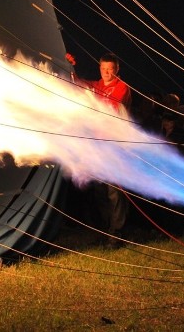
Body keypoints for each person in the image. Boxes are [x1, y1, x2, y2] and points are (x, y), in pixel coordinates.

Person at [70, 52, 132, 246]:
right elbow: (77, 83)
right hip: (97, 145)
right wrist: (70, 66)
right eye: (103, 68)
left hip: (114, 145)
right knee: (99, 191)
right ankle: (107, 229)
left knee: (114, 191)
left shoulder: (122, 88)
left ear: (117, 70)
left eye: (110, 69)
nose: (106, 72)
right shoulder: (96, 86)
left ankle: (117, 232)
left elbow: (110, 108)